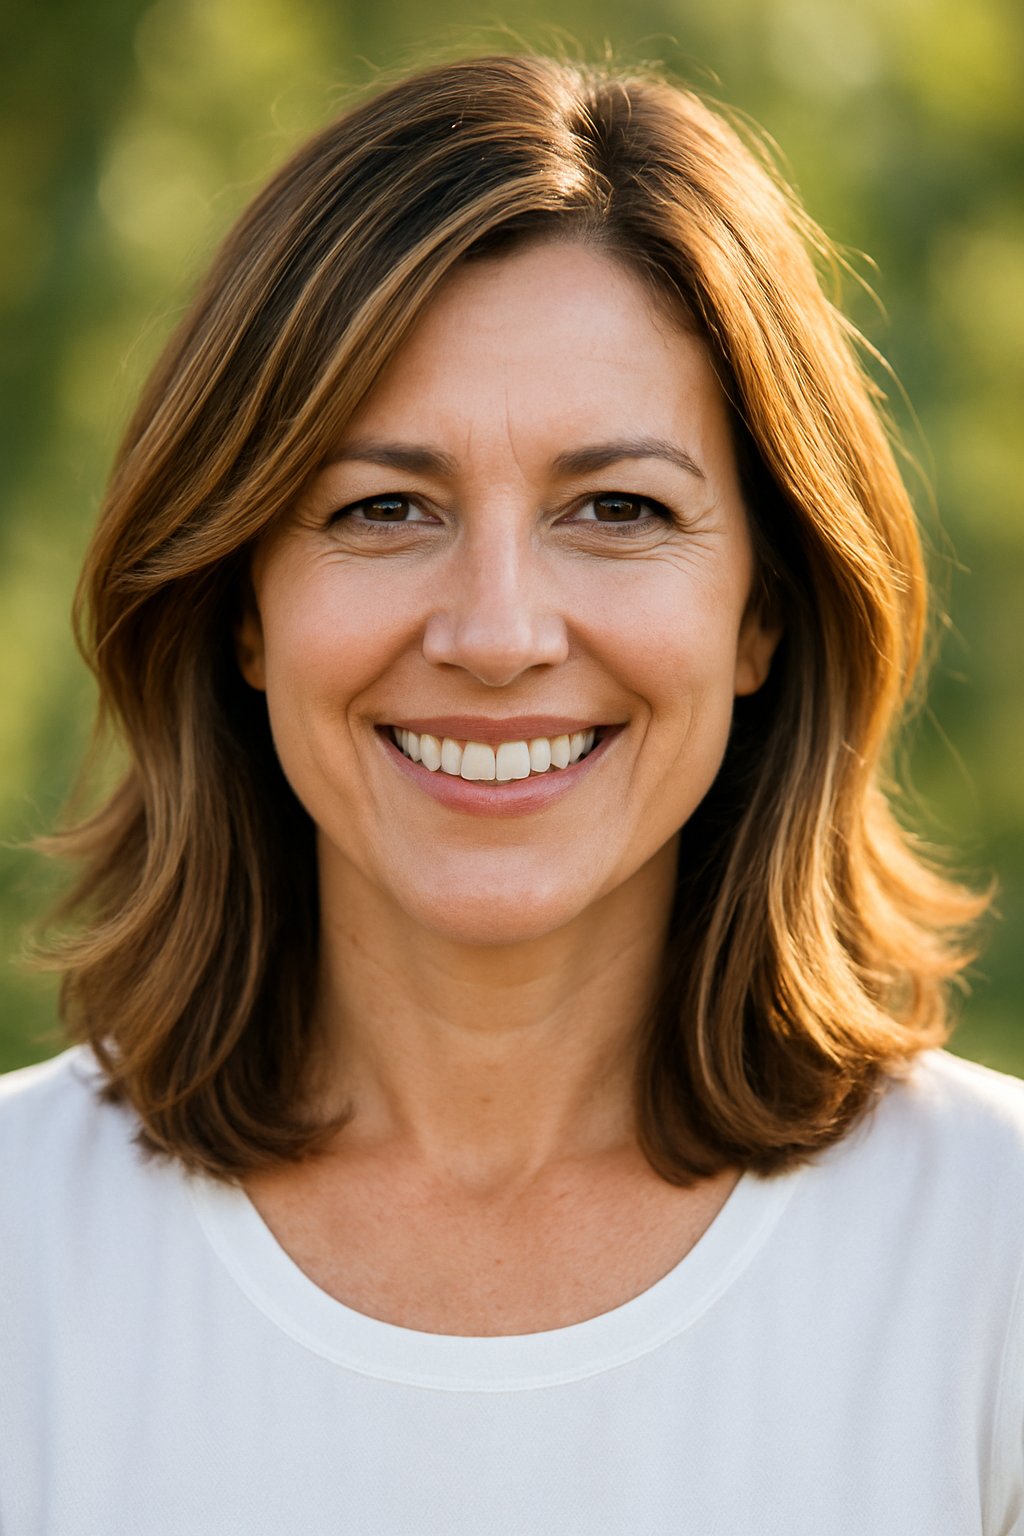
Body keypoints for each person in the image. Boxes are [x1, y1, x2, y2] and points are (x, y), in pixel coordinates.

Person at [1, 50, 1021, 1535]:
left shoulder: (992, 1262)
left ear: (763, 611)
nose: (495, 634)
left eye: (617, 509)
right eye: (382, 508)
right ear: (242, 608)